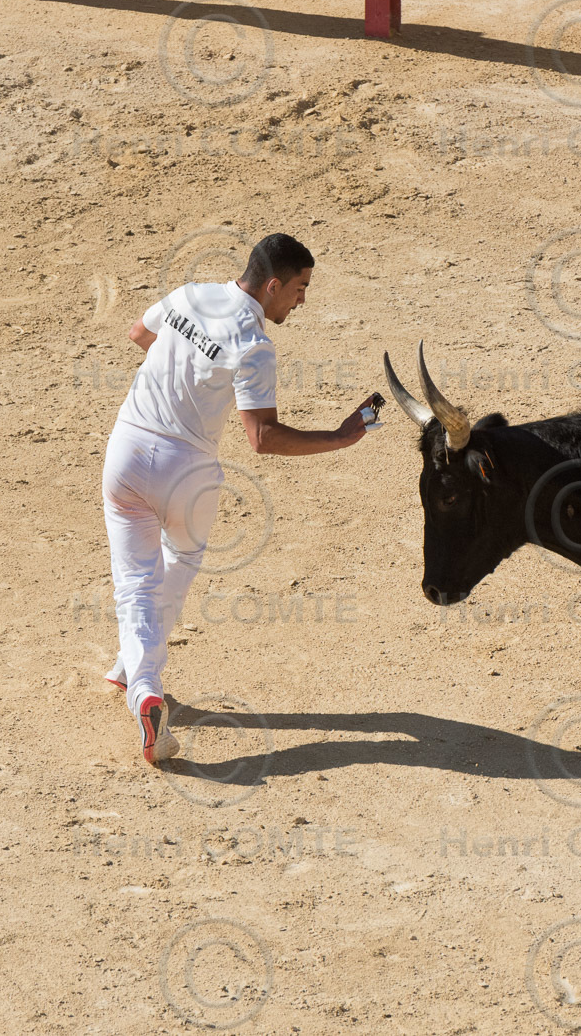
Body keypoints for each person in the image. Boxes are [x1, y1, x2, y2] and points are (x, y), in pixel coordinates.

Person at [101, 233, 377, 764]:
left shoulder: (189, 294)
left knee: (135, 581)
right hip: (187, 471)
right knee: (179, 559)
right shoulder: (254, 343)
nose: (302, 300)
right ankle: (144, 687)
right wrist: (340, 438)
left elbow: (139, 333)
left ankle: (129, 670)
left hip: (127, 452)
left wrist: (186, 378)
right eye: (298, 288)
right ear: (272, 284)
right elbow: (262, 439)